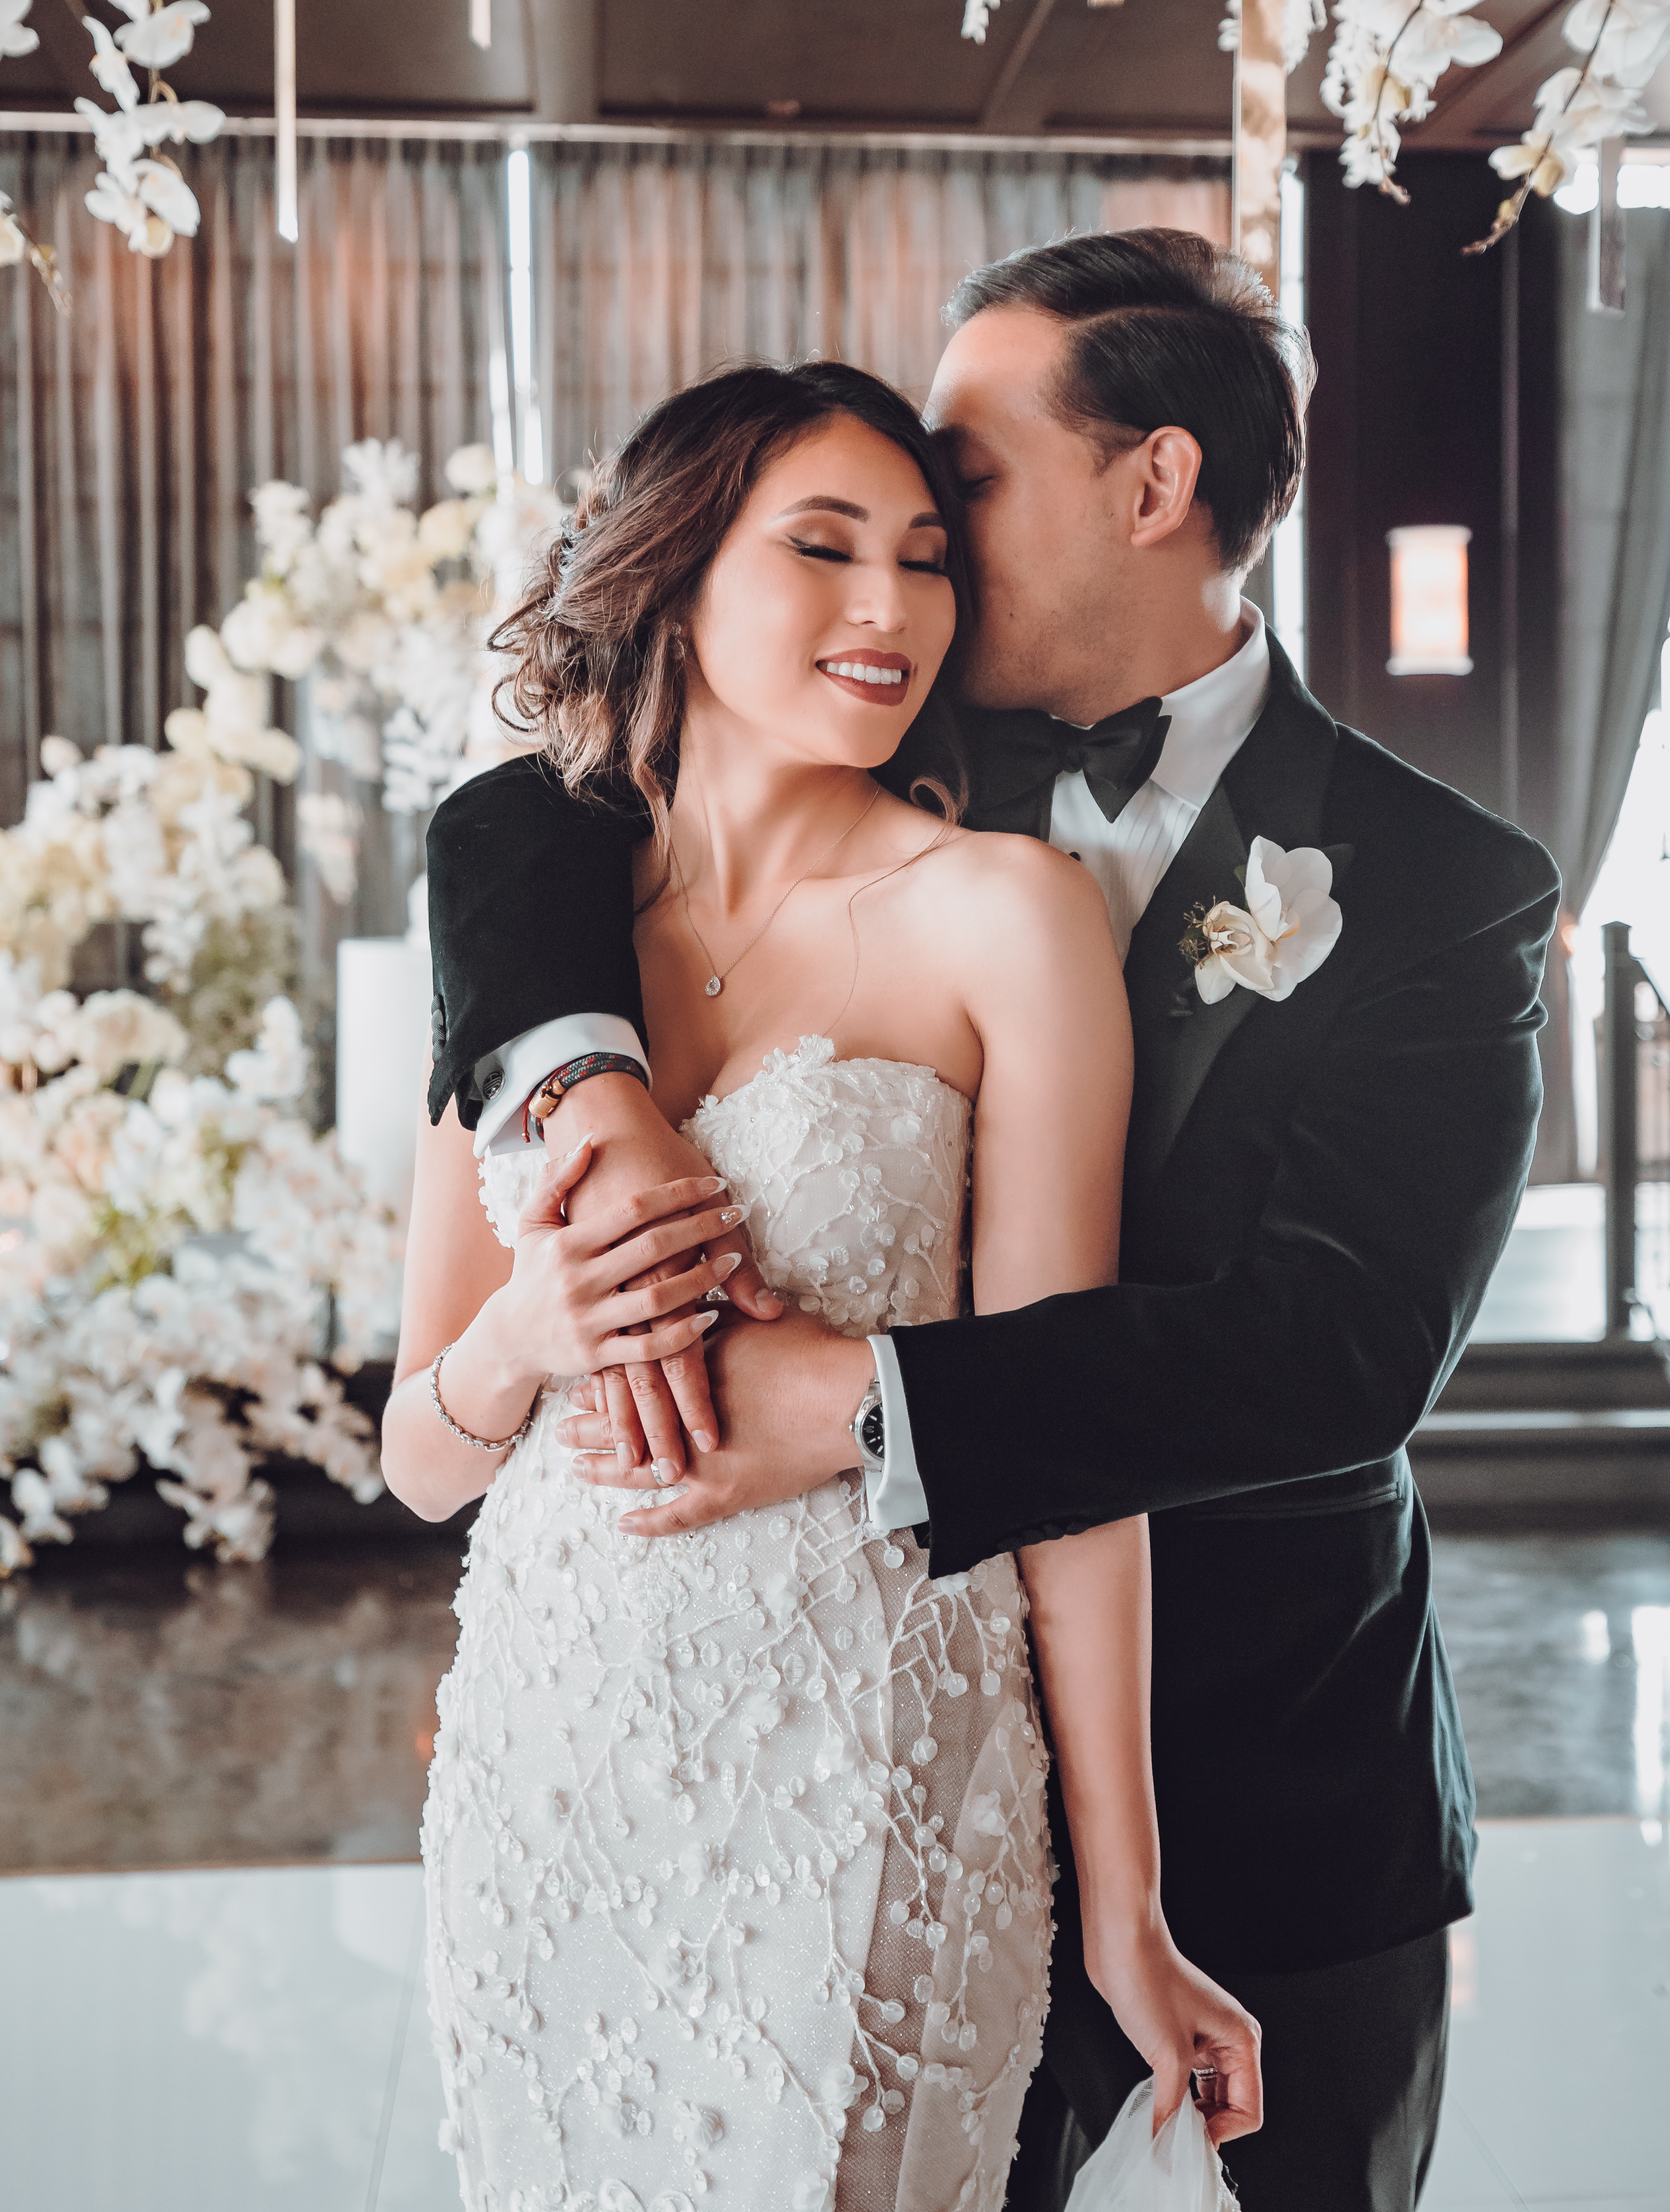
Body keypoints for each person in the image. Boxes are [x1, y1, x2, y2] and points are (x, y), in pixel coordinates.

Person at [423, 229, 1562, 2212]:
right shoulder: (870, 740)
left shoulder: (1441, 885)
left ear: (1154, 486)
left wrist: (860, 1401)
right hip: (826, 1756)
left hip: (1264, 1770)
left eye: (958, 489)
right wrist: (582, 1074)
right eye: (864, 529)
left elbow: (1345, 1352)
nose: (910, 561)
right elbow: (522, 812)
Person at [385, 357, 1262, 2212]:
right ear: (678, 584)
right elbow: (416, 1457)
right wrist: (519, 1338)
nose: (892, 608)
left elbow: (1067, 1441)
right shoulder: (524, 930)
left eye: (927, 557)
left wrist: (1131, 1907)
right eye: (825, 547)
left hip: (871, 1753)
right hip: (556, 1770)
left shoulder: (1000, 914)